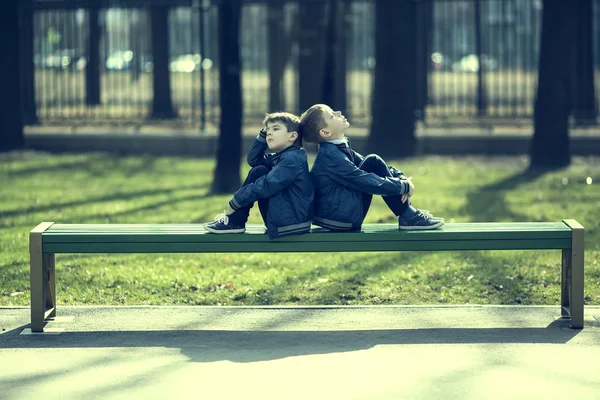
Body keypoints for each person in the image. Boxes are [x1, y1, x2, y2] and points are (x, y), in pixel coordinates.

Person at [298, 104, 444, 231]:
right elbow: (363, 179)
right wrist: (401, 186)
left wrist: (400, 178)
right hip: (337, 219)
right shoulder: (330, 156)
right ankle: (408, 215)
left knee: (373, 161)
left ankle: (408, 214)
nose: (338, 113)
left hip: (340, 214)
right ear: (325, 133)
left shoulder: (338, 149)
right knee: (373, 162)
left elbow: (375, 167)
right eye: (331, 115)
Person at [204, 112, 313, 239]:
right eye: (267, 130)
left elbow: (268, 184)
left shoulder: (292, 159)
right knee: (259, 170)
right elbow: (253, 160)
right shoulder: (280, 157)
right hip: (288, 217)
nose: (269, 133)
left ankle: (235, 221)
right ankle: (235, 221)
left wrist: (236, 201)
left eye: (275, 129)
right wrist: (262, 136)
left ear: (293, 136)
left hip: (293, 221)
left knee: (260, 176)